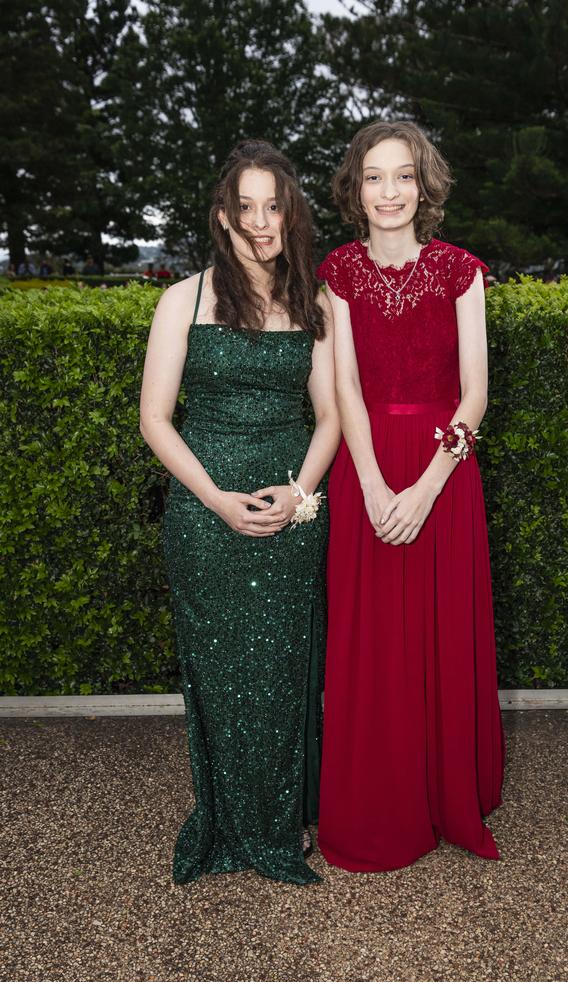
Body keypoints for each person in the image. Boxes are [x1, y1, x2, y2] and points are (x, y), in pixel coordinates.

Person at [140, 140, 339, 885]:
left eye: (274, 206)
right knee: (221, 672)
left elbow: (329, 418)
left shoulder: (316, 303)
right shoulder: (182, 299)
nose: (261, 222)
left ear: (291, 216)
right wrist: (217, 500)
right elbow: (156, 419)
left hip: (291, 512)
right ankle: (225, 821)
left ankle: (281, 820)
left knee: (288, 669)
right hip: (204, 512)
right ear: (223, 218)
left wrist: (299, 492)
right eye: (245, 207)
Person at [317, 120, 505, 872]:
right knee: (374, 643)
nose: (389, 192)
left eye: (403, 176)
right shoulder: (337, 271)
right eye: (374, 177)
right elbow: (345, 388)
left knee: (438, 634)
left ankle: (445, 793)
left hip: (443, 473)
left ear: (424, 186)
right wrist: (367, 481)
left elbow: (477, 392)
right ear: (354, 189)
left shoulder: (462, 270)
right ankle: (378, 800)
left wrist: (427, 486)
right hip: (365, 466)